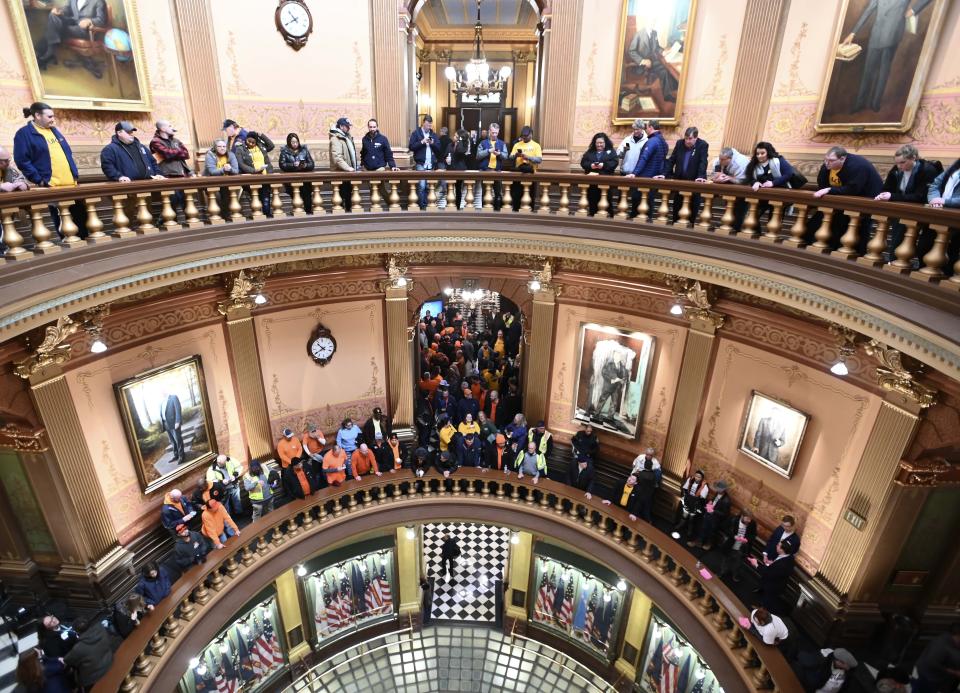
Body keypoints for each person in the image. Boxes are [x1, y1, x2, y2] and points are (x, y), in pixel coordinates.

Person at [841, 0, 934, 113]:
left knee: (884, 70)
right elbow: (868, 10)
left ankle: (875, 103)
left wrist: (914, 10)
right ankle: (860, 103)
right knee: (868, 71)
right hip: (876, 35)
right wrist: (853, 33)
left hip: (892, 35)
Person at [14, 102, 86, 238]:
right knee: (64, 226)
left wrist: (74, 175)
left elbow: (66, 154)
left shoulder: (54, 130)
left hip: (72, 185)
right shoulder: (24, 134)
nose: (53, 119)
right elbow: (22, 161)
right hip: (52, 187)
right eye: (49, 116)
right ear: (37, 115)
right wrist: (39, 181)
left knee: (81, 222)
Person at [811, 146, 884, 252]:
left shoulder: (858, 166)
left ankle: (858, 254)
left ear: (842, 159)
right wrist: (827, 190)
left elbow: (853, 189)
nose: (827, 163)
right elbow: (822, 184)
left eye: (831, 160)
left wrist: (830, 190)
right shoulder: (828, 165)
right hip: (842, 201)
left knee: (860, 229)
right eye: (825, 159)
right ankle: (833, 249)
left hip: (866, 201)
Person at [876, 144, 941, 261]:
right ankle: (893, 261)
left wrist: (893, 196)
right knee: (896, 237)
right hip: (901, 208)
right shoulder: (897, 169)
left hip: (922, 211)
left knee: (914, 240)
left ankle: (899, 262)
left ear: (914, 158)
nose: (899, 166)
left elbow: (920, 196)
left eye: (903, 162)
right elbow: (887, 188)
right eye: (897, 163)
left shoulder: (927, 170)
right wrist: (883, 195)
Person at [34, 0, 107, 75]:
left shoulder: (98, 1)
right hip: (72, 24)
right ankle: (49, 52)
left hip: (85, 30)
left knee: (56, 28)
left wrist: (90, 21)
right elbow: (67, 9)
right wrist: (60, 11)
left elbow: (101, 20)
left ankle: (46, 52)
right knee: (53, 16)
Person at [661, 127, 709, 222]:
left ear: (696, 138)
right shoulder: (679, 143)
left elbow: (703, 162)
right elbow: (672, 160)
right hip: (680, 183)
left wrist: (700, 176)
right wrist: (664, 174)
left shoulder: (702, 145)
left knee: (692, 211)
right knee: (677, 210)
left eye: (690, 139)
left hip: (694, 184)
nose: (687, 141)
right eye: (686, 138)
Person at [745, 142, 797, 226]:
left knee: (773, 221)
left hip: (778, 195)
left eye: (762, 153)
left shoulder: (778, 160)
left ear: (768, 152)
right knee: (751, 217)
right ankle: (757, 234)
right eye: (757, 154)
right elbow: (749, 177)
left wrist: (773, 183)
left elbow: (789, 173)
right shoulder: (754, 163)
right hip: (762, 196)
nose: (759, 156)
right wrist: (755, 182)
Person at [625, 120, 670, 219]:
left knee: (639, 202)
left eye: (646, 128)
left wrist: (634, 173)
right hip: (652, 177)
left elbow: (644, 158)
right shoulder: (663, 141)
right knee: (648, 202)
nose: (646, 130)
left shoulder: (652, 141)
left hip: (645, 177)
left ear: (650, 127)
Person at [627, 24, 678, 102]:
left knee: (666, 70)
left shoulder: (654, 33)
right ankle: (668, 93)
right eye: (651, 21)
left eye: (654, 21)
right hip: (641, 65)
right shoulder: (639, 34)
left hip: (653, 62)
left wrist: (663, 52)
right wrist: (642, 61)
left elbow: (657, 47)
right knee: (665, 71)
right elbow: (631, 51)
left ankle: (668, 94)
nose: (653, 23)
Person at [149, 119, 193, 210]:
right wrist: (178, 152)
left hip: (182, 174)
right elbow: (167, 154)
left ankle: (188, 223)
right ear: (162, 128)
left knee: (186, 201)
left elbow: (186, 154)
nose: (172, 128)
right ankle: (167, 222)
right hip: (168, 175)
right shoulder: (155, 141)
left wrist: (173, 153)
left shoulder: (176, 140)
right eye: (169, 126)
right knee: (172, 202)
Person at [63, 617, 113, 691]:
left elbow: (67, 660)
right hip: (109, 660)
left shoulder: (78, 648)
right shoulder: (100, 628)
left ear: (77, 632)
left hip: (94, 676)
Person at [749, 539, 796, 613]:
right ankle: (761, 608)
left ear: (782, 550)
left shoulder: (782, 565)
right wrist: (772, 563)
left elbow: (768, 574)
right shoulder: (790, 557)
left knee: (767, 601)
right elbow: (777, 568)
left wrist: (756, 564)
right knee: (767, 599)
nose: (776, 546)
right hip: (778, 584)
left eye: (778, 545)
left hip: (773, 586)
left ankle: (761, 613)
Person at [237, 130, 275, 217]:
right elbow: (241, 164)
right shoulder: (240, 148)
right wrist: (254, 171)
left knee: (265, 196)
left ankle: (267, 214)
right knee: (255, 197)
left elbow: (271, 146)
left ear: (256, 141)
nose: (250, 143)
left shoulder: (261, 146)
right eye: (248, 141)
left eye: (253, 142)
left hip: (265, 176)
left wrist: (262, 135)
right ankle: (258, 215)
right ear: (246, 139)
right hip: (252, 178)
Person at [913, 623, 960, 693]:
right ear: (958, 635)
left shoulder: (951, 639)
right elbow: (931, 663)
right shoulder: (941, 645)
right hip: (928, 677)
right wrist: (955, 672)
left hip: (938, 677)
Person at [580, 132, 619, 216]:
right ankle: (592, 217)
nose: (599, 145)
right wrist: (591, 166)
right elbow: (583, 163)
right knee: (592, 201)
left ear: (605, 143)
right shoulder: (590, 152)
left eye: (601, 143)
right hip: (592, 184)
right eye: (597, 143)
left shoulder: (611, 151)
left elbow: (615, 163)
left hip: (606, 183)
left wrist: (603, 165)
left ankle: (609, 219)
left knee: (607, 202)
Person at [409, 115, 443, 209]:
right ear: (423, 123)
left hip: (430, 164)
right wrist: (422, 142)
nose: (429, 127)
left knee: (429, 186)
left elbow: (439, 149)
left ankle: (427, 204)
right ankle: (422, 206)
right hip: (421, 163)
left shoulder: (433, 135)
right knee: (422, 186)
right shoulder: (416, 133)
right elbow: (411, 147)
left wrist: (432, 144)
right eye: (427, 125)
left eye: (430, 125)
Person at [278, 132, 315, 213]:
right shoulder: (284, 152)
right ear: (289, 142)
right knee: (295, 196)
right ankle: (298, 213)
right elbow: (282, 165)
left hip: (305, 179)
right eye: (293, 142)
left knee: (307, 197)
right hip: (291, 179)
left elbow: (311, 164)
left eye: (296, 142)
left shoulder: (304, 150)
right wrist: (293, 165)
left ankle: (308, 213)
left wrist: (304, 165)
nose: (295, 144)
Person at [508, 126, 543, 210]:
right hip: (518, 174)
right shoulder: (517, 144)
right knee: (516, 196)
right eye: (523, 136)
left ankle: (530, 213)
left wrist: (528, 157)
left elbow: (539, 160)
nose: (524, 137)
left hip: (531, 175)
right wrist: (515, 155)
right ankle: (515, 212)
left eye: (526, 136)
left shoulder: (536, 145)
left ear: (531, 135)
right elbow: (510, 157)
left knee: (530, 196)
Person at [690, 479, 731, 550]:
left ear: (723, 490)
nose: (717, 490)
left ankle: (708, 544)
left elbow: (725, 514)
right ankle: (698, 542)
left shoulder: (727, 500)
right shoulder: (717, 493)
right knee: (703, 528)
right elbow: (714, 501)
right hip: (709, 514)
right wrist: (710, 503)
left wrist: (714, 511)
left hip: (716, 519)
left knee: (711, 532)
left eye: (719, 489)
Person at [476, 122, 509, 209]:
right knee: (485, 193)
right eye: (493, 132)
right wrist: (488, 151)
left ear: (498, 132)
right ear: (489, 131)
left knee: (498, 193)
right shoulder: (482, 143)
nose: (494, 134)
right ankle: (485, 212)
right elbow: (478, 156)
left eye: (496, 133)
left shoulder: (502, 143)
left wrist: (499, 154)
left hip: (497, 172)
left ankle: (497, 212)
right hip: (485, 171)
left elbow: (506, 156)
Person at [719, 508, 757, 582]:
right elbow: (724, 527)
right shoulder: (733, 519)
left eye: (750, 519)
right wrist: (733, 536)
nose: (749, 521)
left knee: (738, 563)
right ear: (742, 516)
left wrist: (747, 539)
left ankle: (735, 575)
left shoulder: (752, 523)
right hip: (730, 545)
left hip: (742, 548)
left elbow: (753, 535)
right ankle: (722, 572)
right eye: (747, 519)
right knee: (726, 560)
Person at [203, 139, 239, 212]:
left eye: (224, 146)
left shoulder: (231, 155)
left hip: (226, 182)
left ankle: (226, 216)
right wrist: (224, 169)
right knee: (217, 197)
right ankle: (219, 216)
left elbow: (236, 171)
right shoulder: (210, 155)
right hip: (211, 183)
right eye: (219, 146)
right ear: (215, 147)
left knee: (228, 196)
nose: (222, 148)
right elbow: (212, 171)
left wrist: (230, 169)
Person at [206, 454, 243, 518]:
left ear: (226, 460)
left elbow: (239, 467)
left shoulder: (231, 460)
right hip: (223, 490)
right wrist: (221, 481)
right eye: (220, 464)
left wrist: (235, 475)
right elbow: (210, 480)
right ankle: (229, 519)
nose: (222, 466)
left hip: (233, 485)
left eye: (223, 464)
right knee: (226, 506)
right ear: (218, 462)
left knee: (237, 500)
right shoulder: (212, 468)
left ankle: (239, 514)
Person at [674, 469, 709, 538]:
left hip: (695, 503)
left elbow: (702, 497)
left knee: (691, 518)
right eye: (696, 476)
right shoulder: (690, 480)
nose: (697, 478)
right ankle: (681, 524)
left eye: (699, 477)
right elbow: (685, 489)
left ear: (702, 478)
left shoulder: (704, 486)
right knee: (684, 515)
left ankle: (689, 530)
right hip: (688, 500)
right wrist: (685, 497)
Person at [593, 350, 628, 417]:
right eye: (616, 356)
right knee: (602, 400)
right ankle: (596, 413)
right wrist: (611, 380)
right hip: (608, 386)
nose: (618, 357)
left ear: (620, 357)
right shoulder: (609, 364)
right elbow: (603, 373)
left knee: (614, 403)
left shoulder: (622, 367)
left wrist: (622, 380)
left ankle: (610, 417)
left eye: (619, 356)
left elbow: (624, 376)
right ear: (614, 356)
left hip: (616, 388)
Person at [445, 128, 472, 208]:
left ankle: (457, 207)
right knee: (449, 188)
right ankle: (449, 205)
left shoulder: (464, 145)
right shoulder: (450, 145)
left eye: (456, 136)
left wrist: (459, 141)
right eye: (454, 136)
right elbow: (445, 155)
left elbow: (460, 151)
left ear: (460, 137)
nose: (454, 137)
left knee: (458, 189)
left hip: (459, 170)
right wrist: (446, 159)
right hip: (450, 169)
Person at [159, 390, 184, 464]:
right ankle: (176, 455)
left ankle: (181, 456)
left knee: (178, 440)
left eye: (163, 391)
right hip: (166, 424)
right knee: (172, 441)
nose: (162, 392)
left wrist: (178, 421)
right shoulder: (161, 402)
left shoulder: (173, 397)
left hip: (174, 423)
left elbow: (178, 409)